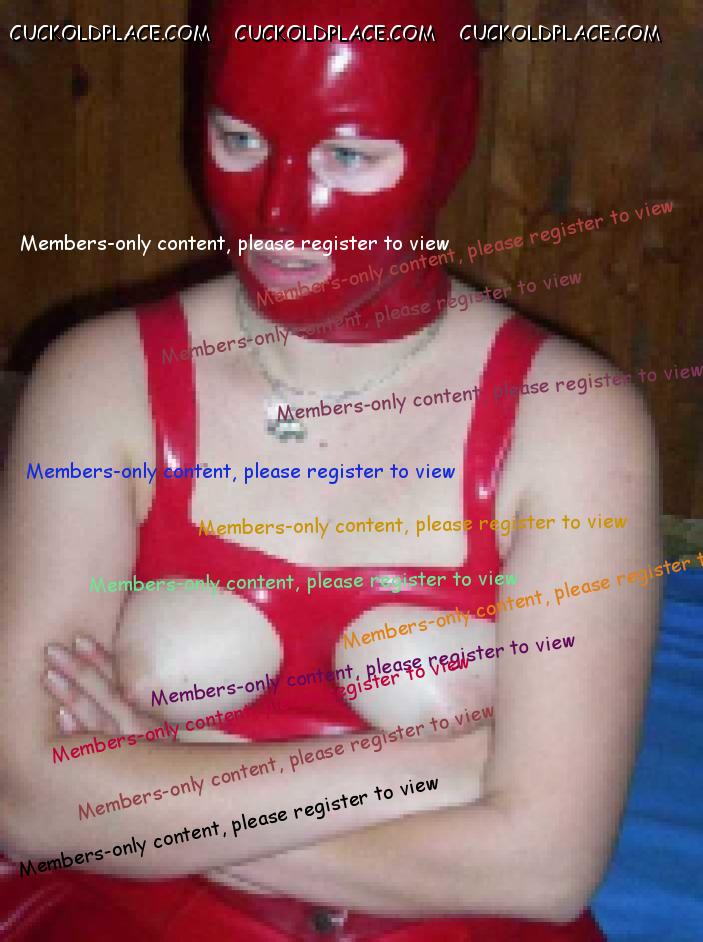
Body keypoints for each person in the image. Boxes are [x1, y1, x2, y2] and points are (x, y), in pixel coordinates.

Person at [0, 1, 660, 939]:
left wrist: (149, 796)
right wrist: (435, 770)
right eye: (240, 140)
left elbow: (545, 866)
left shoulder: (570, 423)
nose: (277, 214)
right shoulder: (101, 381)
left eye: (347, 155)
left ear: (449, 141)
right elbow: (26, 803)